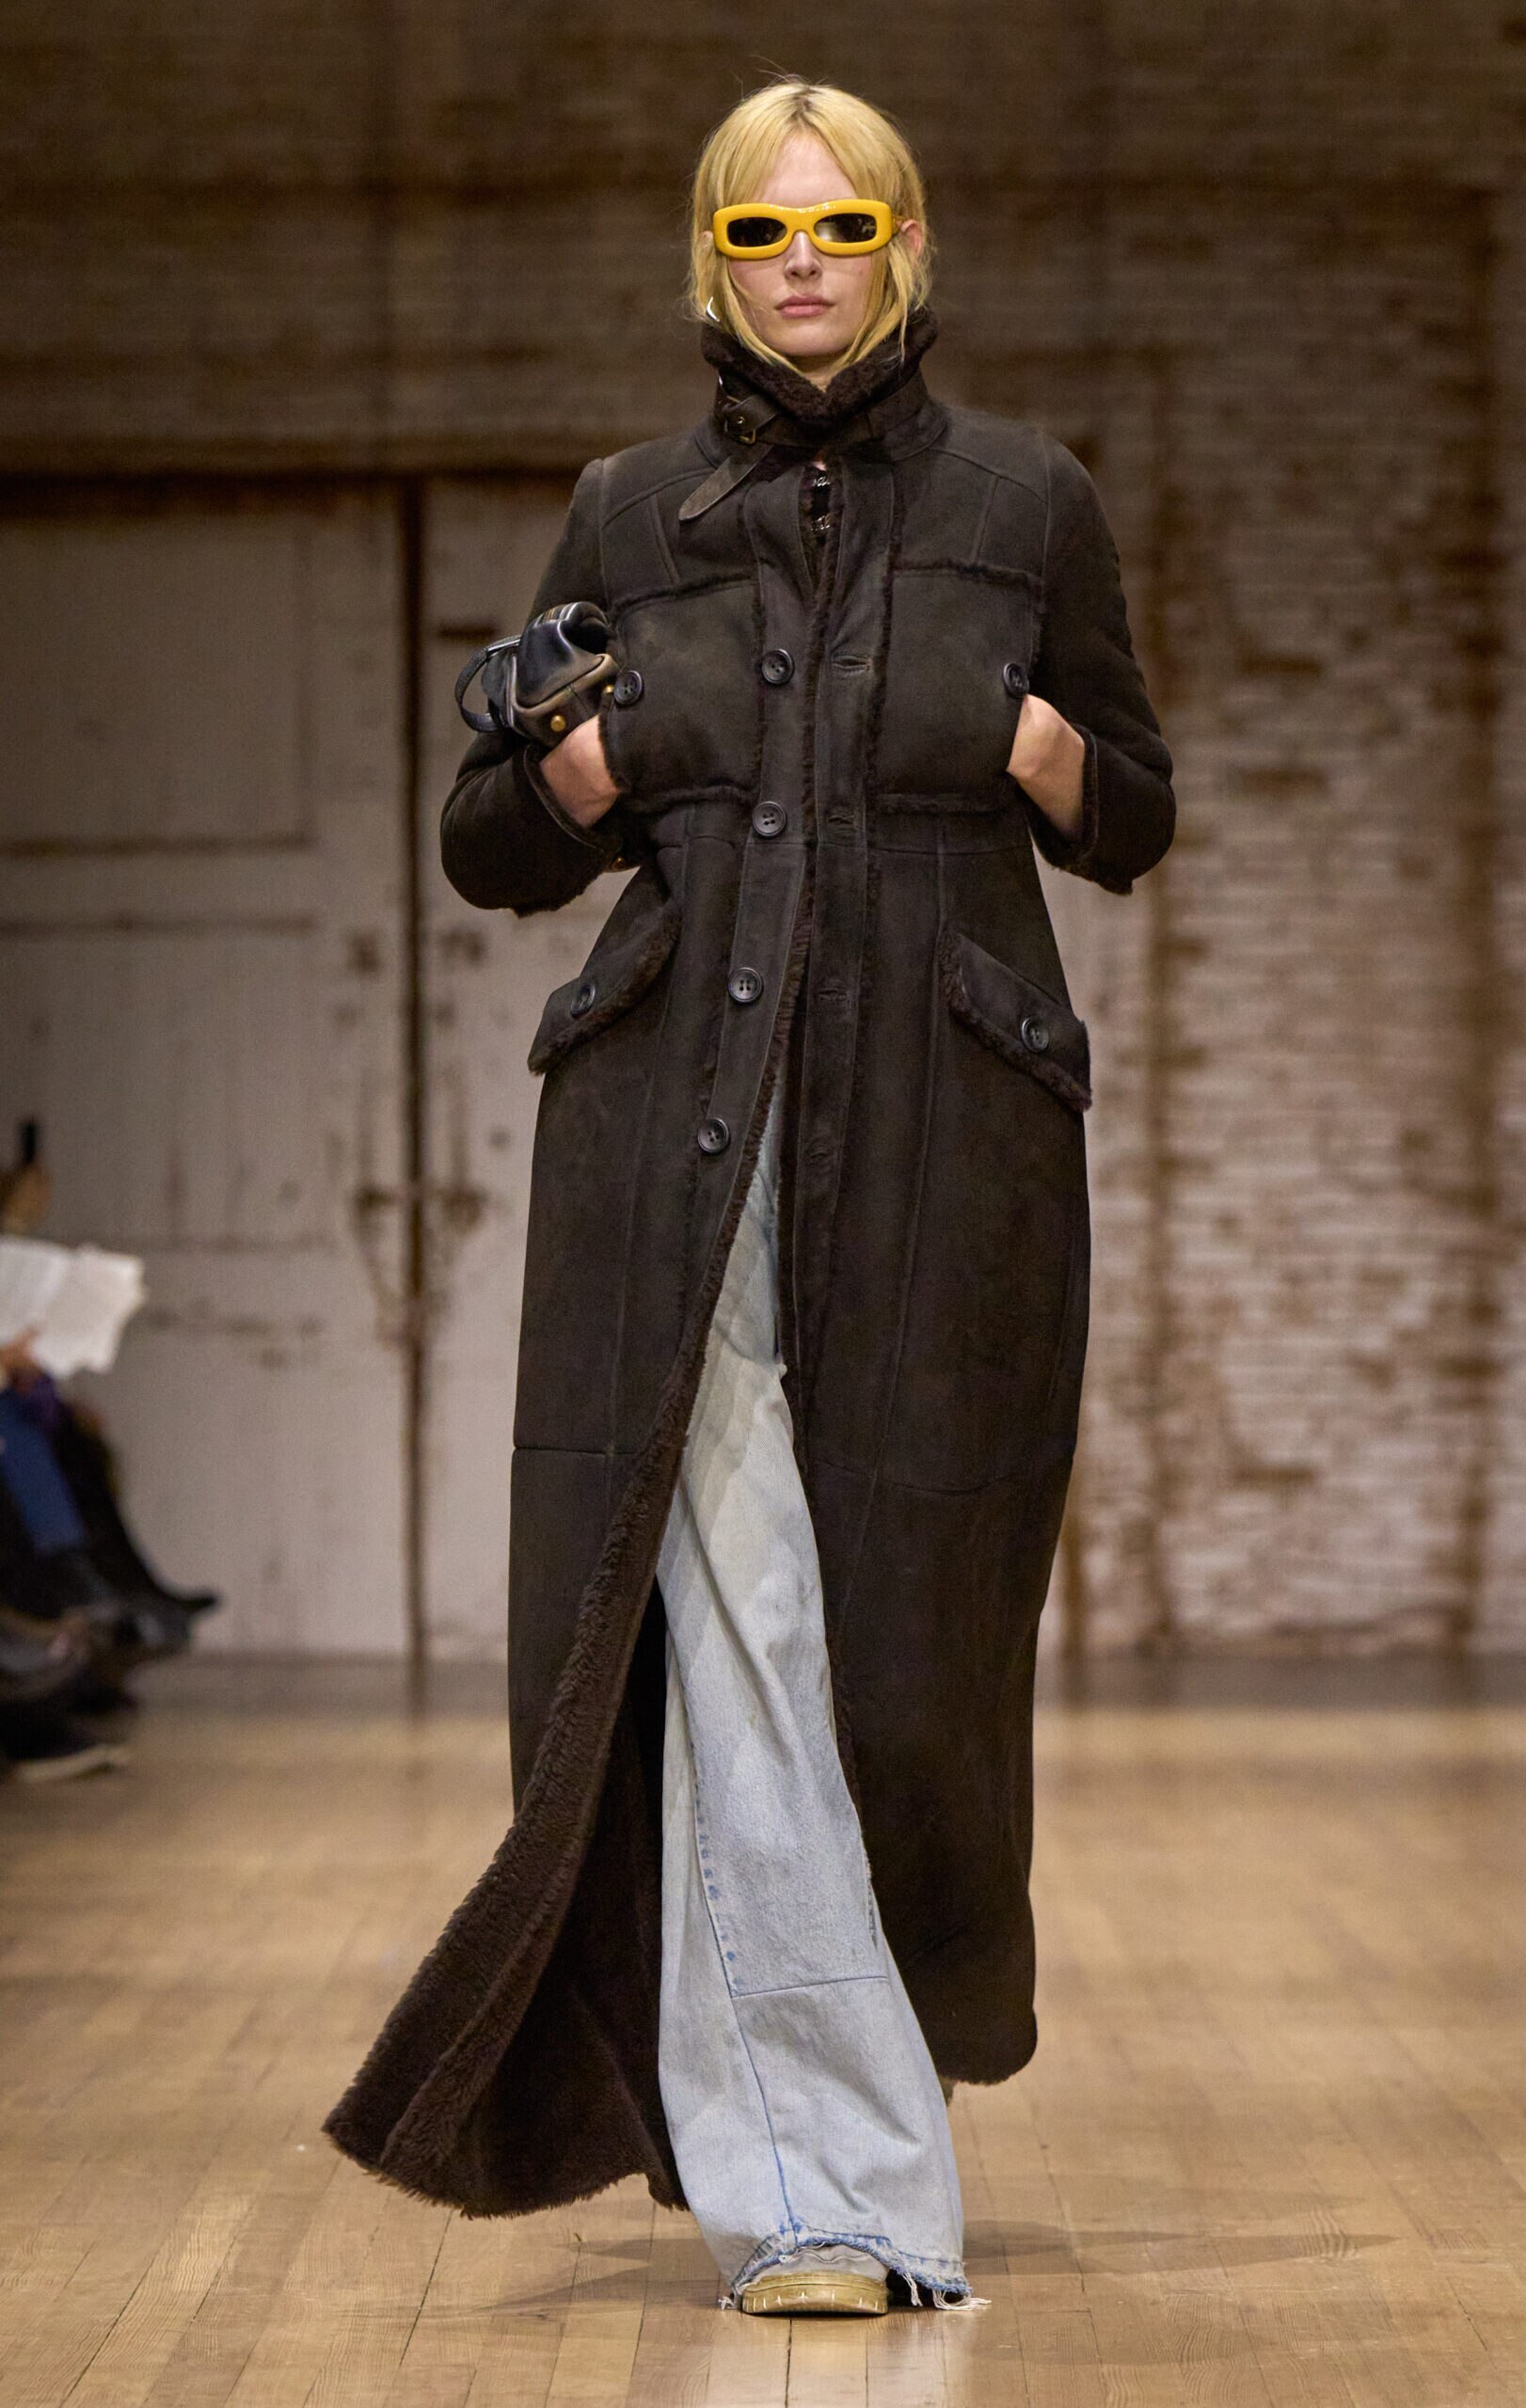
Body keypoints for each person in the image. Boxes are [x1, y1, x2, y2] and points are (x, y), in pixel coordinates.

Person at [327, 78, 1175, 2316]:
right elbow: (485, 842)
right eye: (758, 229)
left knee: (894, 1654)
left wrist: (1027, 741)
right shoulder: (627, 509)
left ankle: (847, 2103)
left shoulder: (1024, 501)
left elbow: (1134, 804)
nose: (801, 262)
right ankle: (825, 2192)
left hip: (947, 1137)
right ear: (711, 257)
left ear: (905, 241)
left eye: (841, 223)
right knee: (733, 1629)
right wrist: (588, 757)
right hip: (670, 1136)